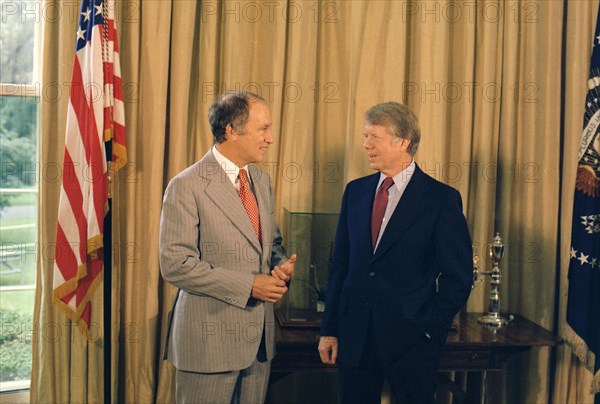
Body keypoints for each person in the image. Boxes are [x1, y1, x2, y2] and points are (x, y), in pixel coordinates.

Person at [318, 102, 473, 404]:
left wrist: (431, 330)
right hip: (355, 338)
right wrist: (330, 330)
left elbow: (459, 276)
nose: (366, 145)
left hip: (412, 342)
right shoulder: (356, 192)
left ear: (402, 142)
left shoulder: (441, 199)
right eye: (366, 136)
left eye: (374, 137)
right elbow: (341, 266)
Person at [160, 91, 296, 404]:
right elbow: (176, 264)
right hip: (209, 345)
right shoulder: (187, 185)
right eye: (263, 129)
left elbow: (271, 244)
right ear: (232, 131)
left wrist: (279, 269)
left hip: (258, 346)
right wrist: (250, 285)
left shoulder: (261, 181)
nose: (270, 138)